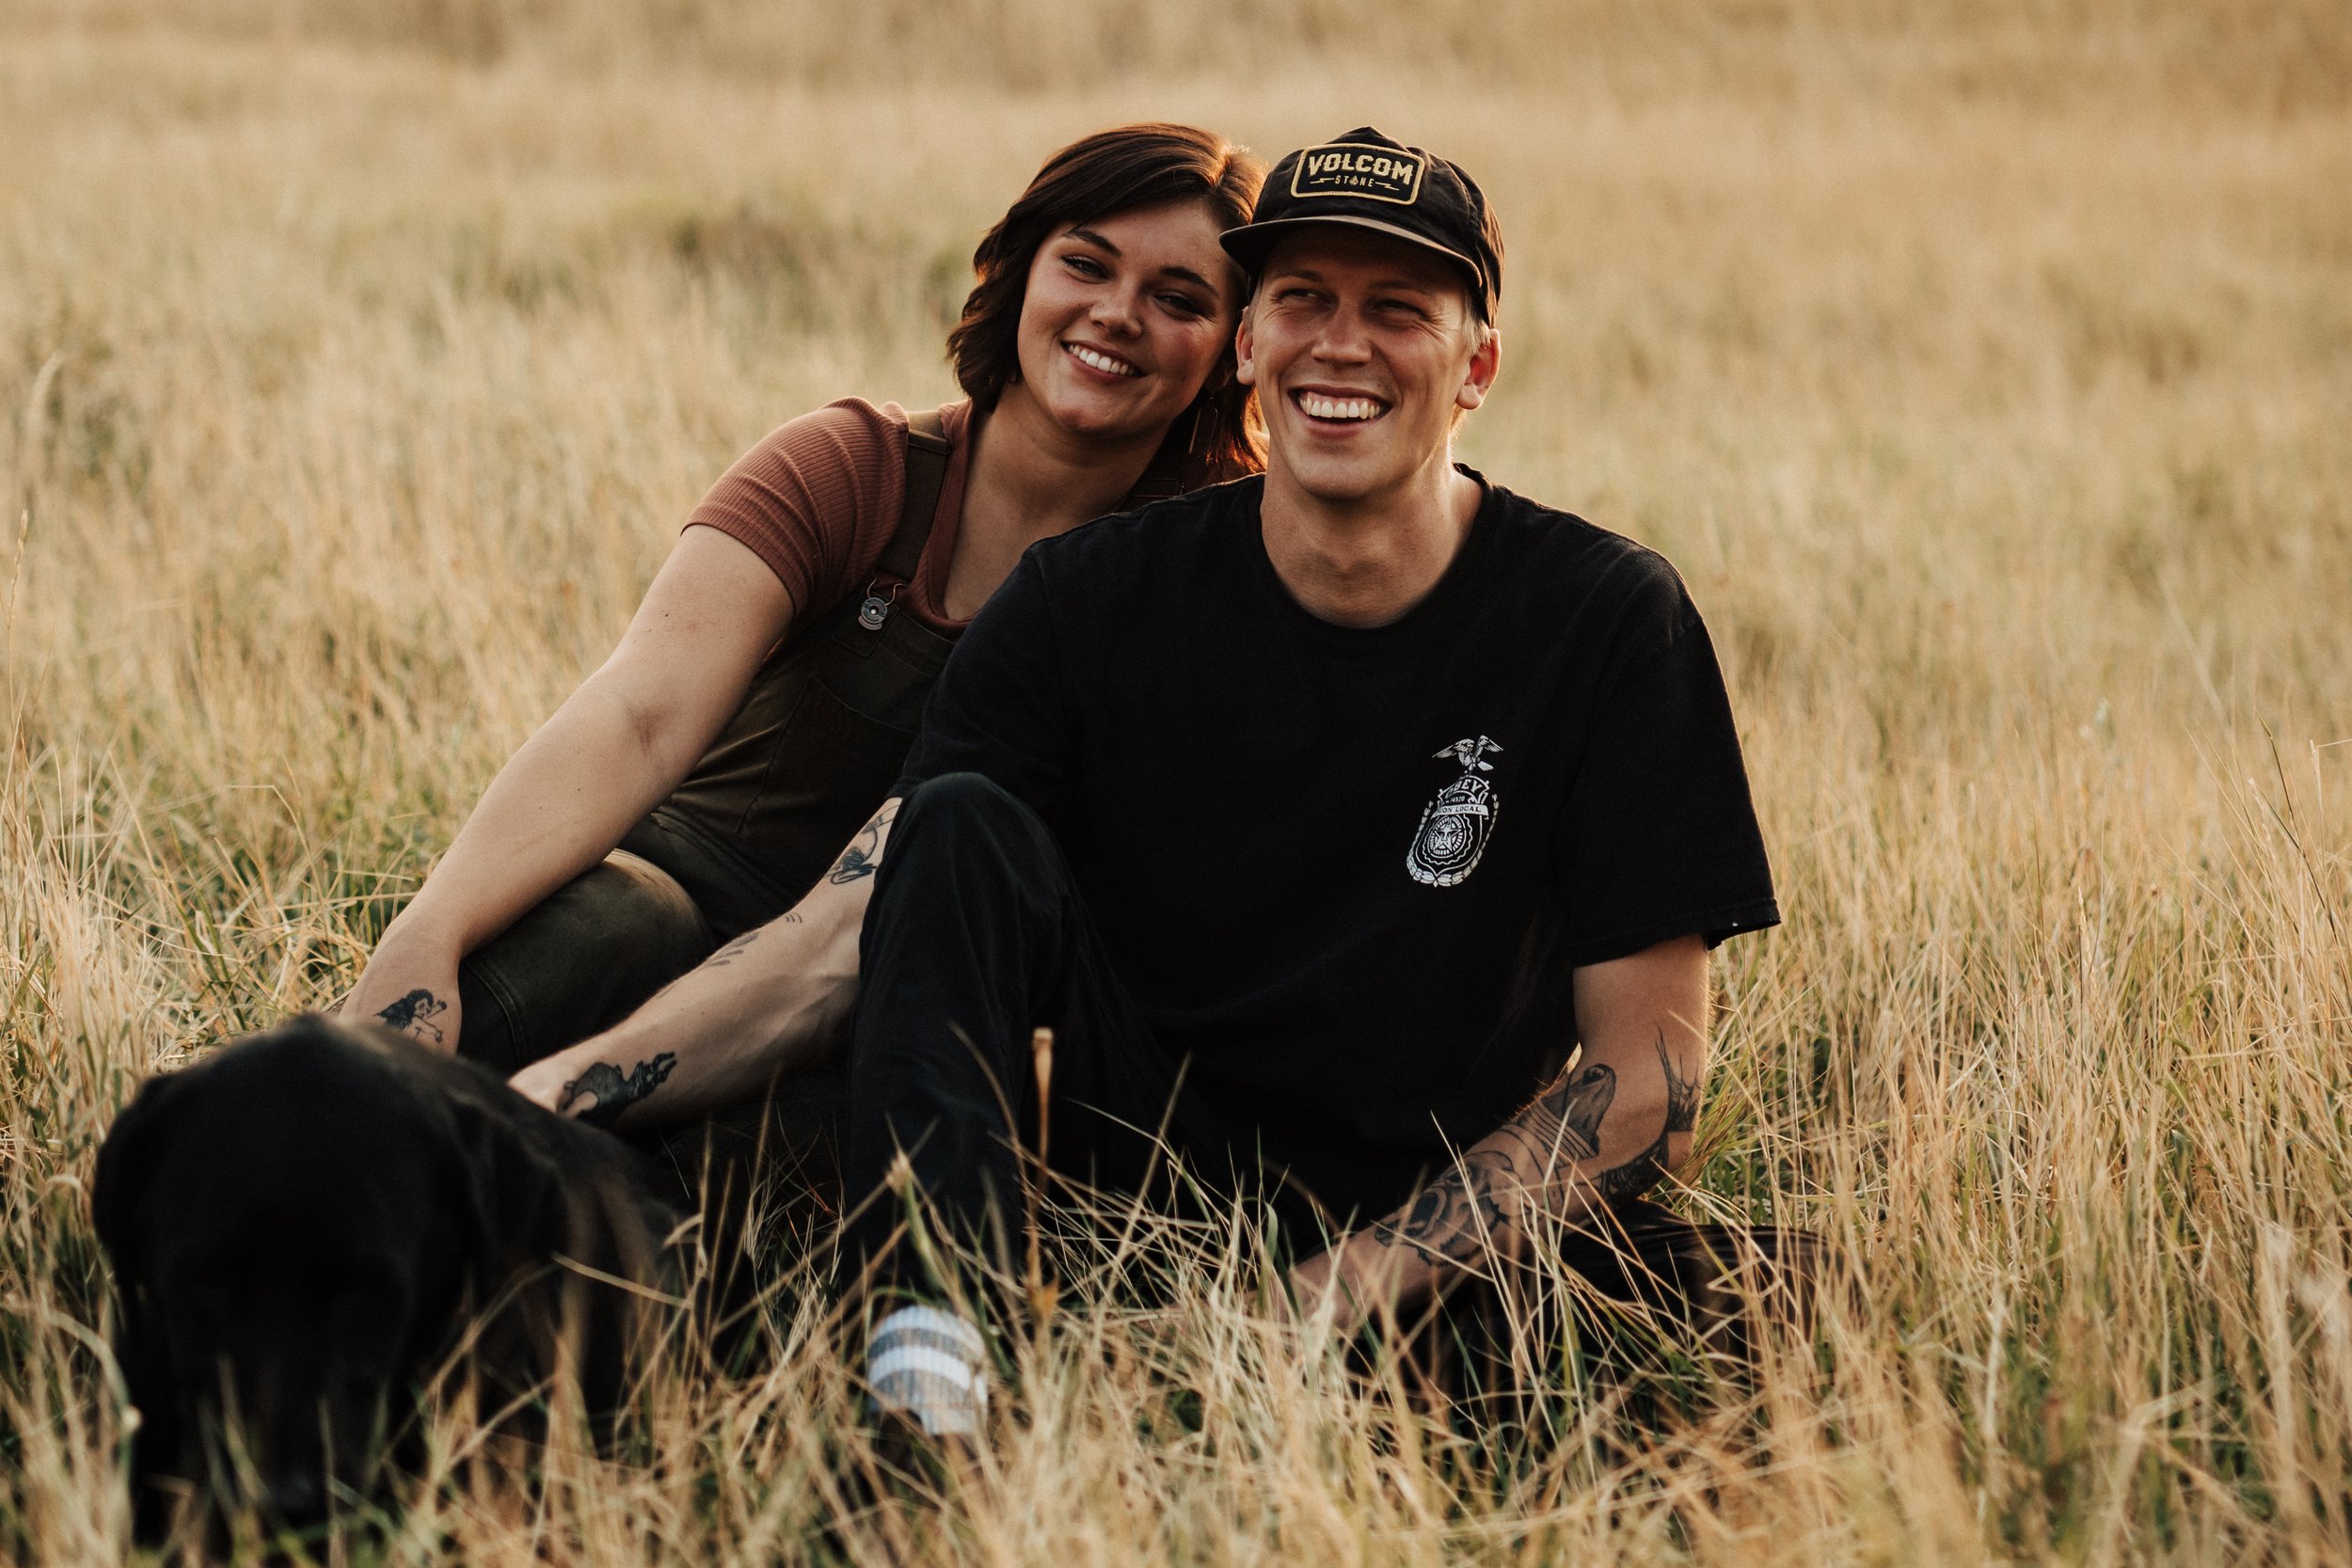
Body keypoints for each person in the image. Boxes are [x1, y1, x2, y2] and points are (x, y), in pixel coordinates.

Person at [514, 127, 1788, 1441]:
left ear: (1477, 364)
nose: (1339, 345)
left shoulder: (1601, 620)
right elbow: (852, 928)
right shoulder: (1090, 596)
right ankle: (929, 1370)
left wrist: (1316, 1299)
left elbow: (1648, 1079)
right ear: (1248, 345)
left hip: (1412, 1222)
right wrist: (549, 1098)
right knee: (953, 826)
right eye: (1300, 300)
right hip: (1118, 1177)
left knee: (1716, 1329)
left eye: (1398, 310)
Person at [341, 124, 1267, 1168]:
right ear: (1019, 271)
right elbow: (635, 717)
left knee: (778, 1148)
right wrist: (432, 930)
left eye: (1179, 298)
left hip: (892, 986)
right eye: (1086, 264)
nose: (1117, 314)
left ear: (1241, 344)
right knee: (608, 923)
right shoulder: (853, 465)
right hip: (678, 906)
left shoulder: (1200, 569)